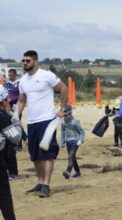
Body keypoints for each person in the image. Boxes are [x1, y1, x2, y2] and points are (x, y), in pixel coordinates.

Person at [17, 50, 68, 197]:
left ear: (35, 61)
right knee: (35, 155)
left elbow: (63, 89)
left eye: (28, 61)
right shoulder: (23, 81)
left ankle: (46, 184)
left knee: (46, 153)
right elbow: (21, 100)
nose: (25, 63)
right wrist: (16, 116)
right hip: (32, 121)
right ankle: (40, 183)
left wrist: (62, 109)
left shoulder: (47, 75)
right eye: (23, 61)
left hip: (47, 120)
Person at [0, 85, 23, 220]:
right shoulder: (2, 117)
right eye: (7, 99)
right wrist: (16, 119)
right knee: (4, 195)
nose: (9, 102)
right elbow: (16, 138)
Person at [61, 104, 85, 179]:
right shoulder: (63, 123)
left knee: (71, 155)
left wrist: (81, 140)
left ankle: (68, 171)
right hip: (68, 142)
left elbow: (81, 131)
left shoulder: (75, 122)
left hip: (75, 141)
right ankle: (78, 172)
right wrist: (62, 142)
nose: (65, 117)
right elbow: (62, 133)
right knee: (72, 157)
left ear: (70, 114)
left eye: (66, 115)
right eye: (63, 116)